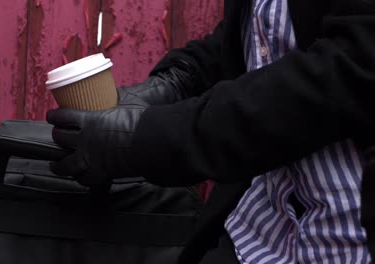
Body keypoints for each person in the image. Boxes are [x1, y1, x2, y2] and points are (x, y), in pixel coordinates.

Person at [46, 0, 375, 263]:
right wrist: (177, 80)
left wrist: (145, 139)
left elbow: (347, 71)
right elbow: (259, 36)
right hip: (258, 235)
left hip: (351, 239)